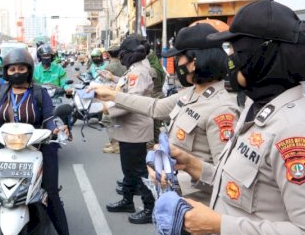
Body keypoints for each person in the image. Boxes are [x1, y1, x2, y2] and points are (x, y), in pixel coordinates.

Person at [173, 0, 305, 235]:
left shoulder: (298, 131)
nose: (229, 59)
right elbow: (243, 188)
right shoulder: (257, 108)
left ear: (263, 56)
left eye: (237, 49)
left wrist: (219, 225)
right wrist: (193, 166)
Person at [91, 23, 241, 203]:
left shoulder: (222, 109)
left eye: (179, 57)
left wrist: (180, 178)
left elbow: (226, 177)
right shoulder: (191, 93)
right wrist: (114, 95)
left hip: (200, 209)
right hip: (176, 202)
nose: (177, 63)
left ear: (193, 63)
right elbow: (155, 107)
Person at [0, 49, 78, 235]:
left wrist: (55, 129)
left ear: (29, 71)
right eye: (12, 69)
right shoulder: (1, 91)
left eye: (21, 68)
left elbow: (48, 118)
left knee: (51, 193)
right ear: (6, 71)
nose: (17, 72)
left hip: (38, 146)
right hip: (6, 146)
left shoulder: (39, 92)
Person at [99, 36, 156, 224]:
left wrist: (107, 107)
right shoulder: (134, 70)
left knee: (139, 170)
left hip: (135, 128)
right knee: (128, 169)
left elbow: (131, 102)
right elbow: (127, 90)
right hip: (129, 128)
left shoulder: (139, 72)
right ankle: (127, 200)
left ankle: (149, 208)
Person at [100, 45, 127, 154]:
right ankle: (116, 142)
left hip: (112, 96)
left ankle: (115, 144)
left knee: (108, 120)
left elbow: (106, 84)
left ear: (109, 54)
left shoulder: (109, 67)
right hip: (124, 95)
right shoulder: (125, 65)